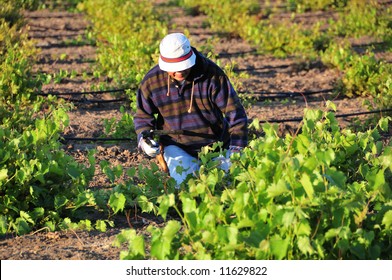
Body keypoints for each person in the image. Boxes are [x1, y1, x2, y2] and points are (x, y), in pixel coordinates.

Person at [134, 33, 248, 186]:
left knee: (227, 185)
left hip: (217, 144)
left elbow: (235, 114)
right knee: (185, 186)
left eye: (183, 67)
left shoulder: (212, 76)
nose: (179, 72)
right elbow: (143, 117)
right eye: (174, 69)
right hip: (177, 147)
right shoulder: (152, 81)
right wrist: (144, 140)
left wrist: (236, 149)